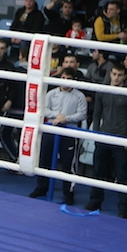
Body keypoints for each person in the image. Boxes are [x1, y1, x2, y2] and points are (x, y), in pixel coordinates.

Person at [84, 64, 127, 218]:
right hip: (104, 136)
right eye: (114, 74)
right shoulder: (103, 90)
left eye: (119, 75)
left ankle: (124, 207)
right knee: (98, 171)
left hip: (121, 139)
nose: (116, 78)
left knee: (123, 176)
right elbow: (96, 114)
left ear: (124, 77)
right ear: (110, 74)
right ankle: (95, 200)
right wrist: (96, 133)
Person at [29, 67, 87, 205]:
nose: (65, 81)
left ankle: (68, 192)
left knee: (68, 163)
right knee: (44, 159)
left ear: (74, 80)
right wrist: (58, 116)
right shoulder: (51, 94)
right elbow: (43, 109)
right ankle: (41, 187)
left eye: (68, 79)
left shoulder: (80, 96)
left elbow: (82, 114)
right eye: (63, 78)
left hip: (69, 132)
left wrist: (66, 119)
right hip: (50, 129)